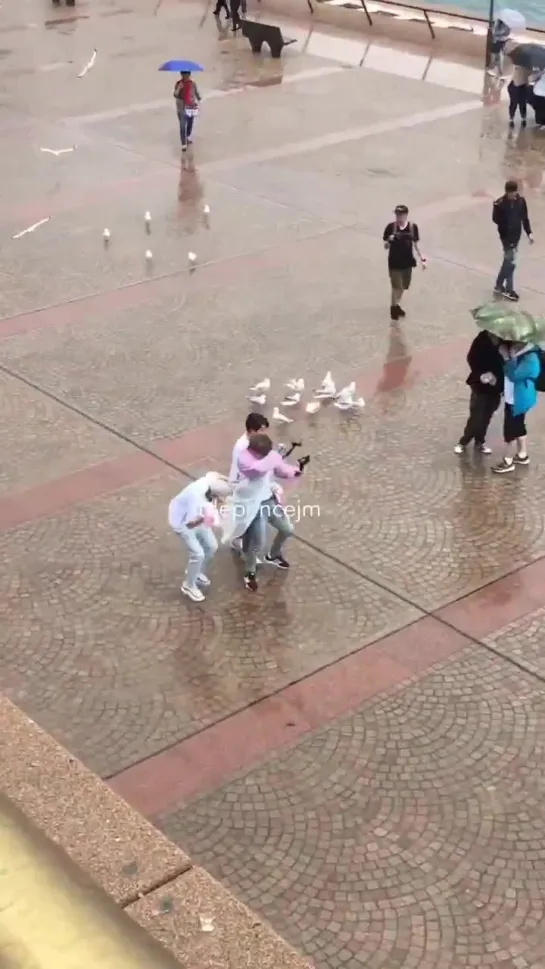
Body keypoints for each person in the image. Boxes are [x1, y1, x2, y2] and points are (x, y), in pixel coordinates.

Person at [223, 434, 309, 591]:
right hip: (253, 506)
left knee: (287, 529)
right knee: (258, 542)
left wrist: (296, 470)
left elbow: (279, 469)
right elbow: (258, 470)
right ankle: (249, 572)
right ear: (256, 451)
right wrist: (275, 457)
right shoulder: (244, 459)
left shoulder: (267, 457)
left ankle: (274, 554)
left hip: (269, 501)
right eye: (265, 454)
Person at [229, 414, 297, 570]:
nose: (264, 433)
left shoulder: (257, 443)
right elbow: (256, 469)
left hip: (263, 493)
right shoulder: (242, 448)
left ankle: (267, 553)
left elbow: (268, 466)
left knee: (280, 528)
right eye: (261, 430)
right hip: (249, 492)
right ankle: (245, 551)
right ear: (252, 430)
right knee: (252, 529)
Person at [168, 472, 232, 602]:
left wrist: (230, 482)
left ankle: (196, 572)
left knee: (212, 546)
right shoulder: (197, 499)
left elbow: (214, 474)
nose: (222, 501)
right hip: (183, 522)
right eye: (221, 499)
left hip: (200, 516)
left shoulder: (210, 481)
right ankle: (188, 585)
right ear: (214, 495)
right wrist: (209, 519)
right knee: (198, 554)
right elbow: (190, 524)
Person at [492, 341, 540, 474]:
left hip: (518, 400)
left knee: (510, 430)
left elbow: (514, 375)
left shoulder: (530, 358)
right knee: (519, 426)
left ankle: (507, 461)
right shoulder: (519, 353)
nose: (512, 346)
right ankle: (522, 455)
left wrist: (508, 358)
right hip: (513, 398)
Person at [454, 330, 504, 454]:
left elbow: (506, 362)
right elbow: (471, 358)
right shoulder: (482, 339)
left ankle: (480, 441)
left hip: (496, 386)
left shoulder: (505, 341)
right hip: (480, 384)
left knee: (487, 415)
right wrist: (483, 373)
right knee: (476, 416)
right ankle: (463, 441)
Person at [382, 205, 426, 322]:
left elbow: (416, 244)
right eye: (396, 214)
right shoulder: (391, 227)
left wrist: (422, 258)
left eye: (400, 215)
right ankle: (393, 308)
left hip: (407, 262)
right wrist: (389, 240)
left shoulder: (412, 227)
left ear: (406, 215)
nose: (398, 217)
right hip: (394, 262)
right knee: (397, 287)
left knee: (404, 287)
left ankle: (396, 305)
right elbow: (385, 246)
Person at [492, 179, 533, 301]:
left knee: (509, 262)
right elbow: (495, 219)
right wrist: (505, 226)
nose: (511, 196)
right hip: (506, 237)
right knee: (510, 263)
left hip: (516, 235)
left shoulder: (521, 202)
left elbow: (525, 218)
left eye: (513, 193)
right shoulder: (499, 204)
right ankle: (509, 289)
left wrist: (529, 233)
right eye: (509, 193)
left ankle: (499, 285)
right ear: (506, 192)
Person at [173, 71, 201, 152]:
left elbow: (196, 93)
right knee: (182, 125)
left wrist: (199, 99)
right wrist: (179, 88)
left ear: (189, 75)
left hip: (190, 106)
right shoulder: (179, 83)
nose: (186, 76)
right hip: (181, 107)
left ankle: (188, 135)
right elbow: (175, 94)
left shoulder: (192, 84)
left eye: (187, 74)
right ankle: (183, 143)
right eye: (184, 74)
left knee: (190, 122)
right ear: (181, 75)